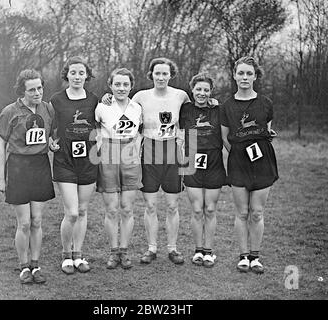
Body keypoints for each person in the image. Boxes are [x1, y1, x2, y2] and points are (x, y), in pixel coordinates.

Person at [103, 57, 190, 264]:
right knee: (150, 206)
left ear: (171, 74)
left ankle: (172, 248)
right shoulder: (141, 96)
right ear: (151, 75)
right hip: (149, 151)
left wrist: (211, 101)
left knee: (172, 205)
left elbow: (196, 109)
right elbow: (121, 105)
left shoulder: (181, 95)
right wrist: (107, 97)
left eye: (165, 73)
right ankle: (151, 248)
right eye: (157, 73)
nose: (161, 77)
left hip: (171, 152)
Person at [0, 69, 56, 284]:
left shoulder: (48, 109)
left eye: (40, 88)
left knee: (37, 220)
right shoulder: (10, 111)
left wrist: (52, 144)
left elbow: (51, 135)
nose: (37, 92)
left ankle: (36, 265)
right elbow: (1, 146)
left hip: (40, 165)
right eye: (32, 89)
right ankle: (24, 267)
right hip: (18, 166)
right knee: (24, 223)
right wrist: (1, 178)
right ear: (23, 91)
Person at [220, 56, 278, 274]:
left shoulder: (266, 103)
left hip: (263, 162)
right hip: (238, 162)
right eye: (241, 73)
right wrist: (238, 154)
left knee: (257, 212)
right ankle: (243, 257)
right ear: (235, 75)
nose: (244, 77)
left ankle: (255, 257)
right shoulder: (227, 106)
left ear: (255, 76)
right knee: (242, 212)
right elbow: (225, 137)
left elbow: (267, 133)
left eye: (249, 73)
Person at [49, 56, 99, 274]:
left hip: (88, 161)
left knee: (83, 209)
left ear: (87, 75)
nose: (77, 76)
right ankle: (66, 254)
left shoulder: (95, 99)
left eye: (81, 73)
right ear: (66, 75)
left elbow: (106, 120)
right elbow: (48, 125)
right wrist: (50, 140)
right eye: (73, 72)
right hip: (64, 161)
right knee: (71, 212)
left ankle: (78, 254)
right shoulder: (56, 100)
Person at [95, 68, 143, 269]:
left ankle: (124, 251)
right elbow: (93, 130)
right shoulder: (101, 107)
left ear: (131, 86)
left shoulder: (137, 108)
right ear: (110, 85)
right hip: (109, 154)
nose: (121, 88)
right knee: (112, 208)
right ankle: (113, 252)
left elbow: (141, 131)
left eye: (125, 84)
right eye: (117, 84)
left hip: (130, 155)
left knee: (127, 208)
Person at [179, 73, 226, 268]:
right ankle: (198, 251)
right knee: (197, 210)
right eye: (198, 89)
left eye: (206, 90)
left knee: (211, 208)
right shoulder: (185, 110)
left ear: (211, 92)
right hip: (192, 162)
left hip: (214, 161)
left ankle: (209, 251)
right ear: (192, 90)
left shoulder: (218, 109)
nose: (202, 93)